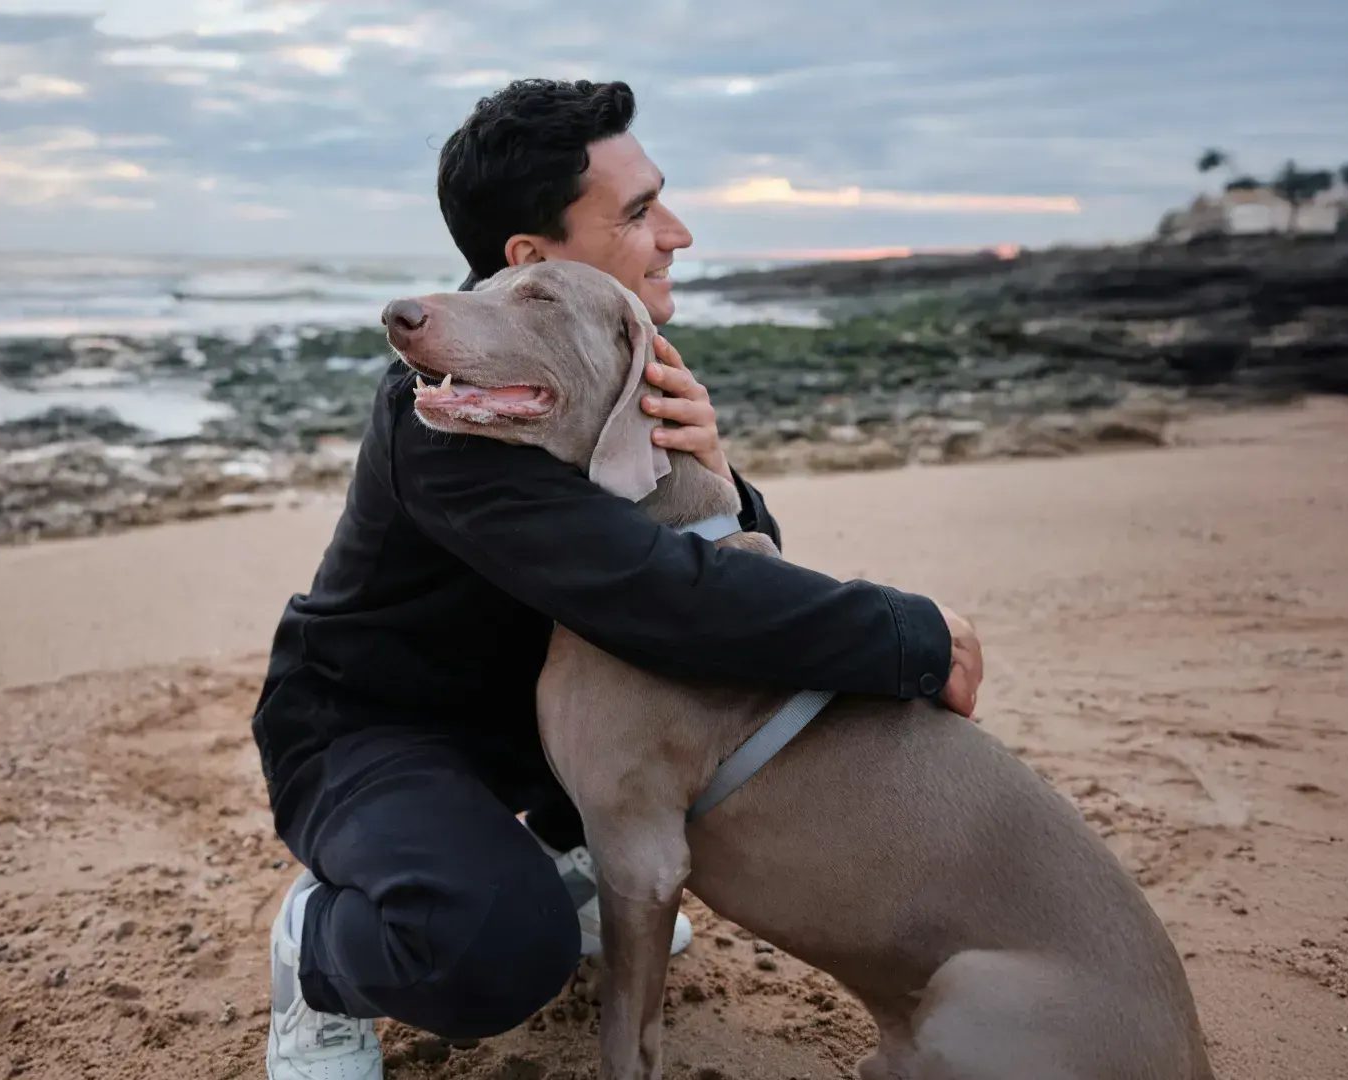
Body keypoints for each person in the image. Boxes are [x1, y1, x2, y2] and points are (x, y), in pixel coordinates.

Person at [251, 78, 985, 1080]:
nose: (675, 233)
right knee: (489, 950)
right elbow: (658, 593)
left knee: (593, 837)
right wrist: (911, 636)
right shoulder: (447, 414)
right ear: (532, 260)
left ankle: (556, 852)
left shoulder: (605, 359)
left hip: (538, 740)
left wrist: (719, 467)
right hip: (371, 734)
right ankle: (321, 955)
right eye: (638, 214)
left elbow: (713, 554)